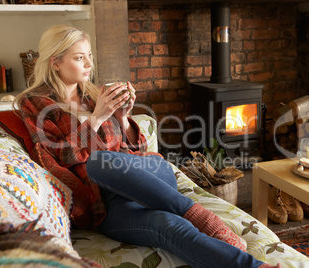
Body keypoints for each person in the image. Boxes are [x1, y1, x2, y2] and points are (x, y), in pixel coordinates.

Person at [14, 24, 281, 268]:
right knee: (165, 223)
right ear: (56, 63)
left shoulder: (95, 93)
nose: (88, 65)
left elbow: (137, 150)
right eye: (79, 57)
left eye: (90, 56)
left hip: (150, 177)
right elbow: (56, 156)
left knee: (114, 160)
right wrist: (98, 118)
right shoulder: (36, 103)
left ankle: (199, 216)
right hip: (106, 202)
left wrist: (122, 117)